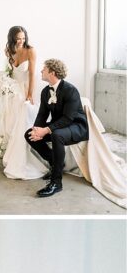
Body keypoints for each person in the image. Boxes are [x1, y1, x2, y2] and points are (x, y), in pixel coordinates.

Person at [25, 58, 89, 197]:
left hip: (76, 126)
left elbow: (68, 118)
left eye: (44, 69)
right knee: (29, 134)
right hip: (59, 126)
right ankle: (55, 163)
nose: (41, 71)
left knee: (56, 135)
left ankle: (56, 183)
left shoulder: (70, 90)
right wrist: (37, 130)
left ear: (52, 72)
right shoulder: (45, 91)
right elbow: (42, 114)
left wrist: (46, 130)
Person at [0, 25, 47, 180]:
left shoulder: (30, 50)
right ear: (12, 38)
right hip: (12, 91)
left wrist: (29, 94)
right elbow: (8, 71)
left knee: (23, 121)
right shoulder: (8, 51)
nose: (21, 41)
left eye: (23, 38)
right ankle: (11, 153)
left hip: (25, 89)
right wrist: (4, 84)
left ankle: (24, 155)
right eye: (18, 38)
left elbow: (32, 74)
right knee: (11, 121)